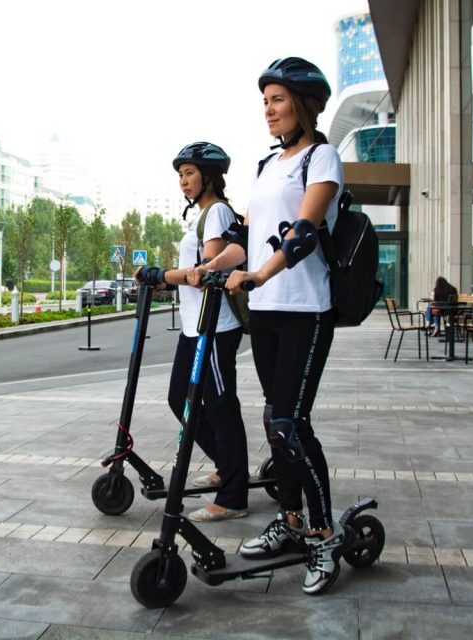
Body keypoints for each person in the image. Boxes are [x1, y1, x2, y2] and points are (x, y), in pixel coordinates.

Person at [194, 57, 345, 595]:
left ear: (304, 105)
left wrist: (259, 274)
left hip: (306, 308)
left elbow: (303, 232)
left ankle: (324, 533)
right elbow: (247, 240)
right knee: (272, 420)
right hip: (267, 311)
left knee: (291, 423)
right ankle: (292, 518)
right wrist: (213, 266)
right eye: (265, 101)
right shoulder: (266, 165)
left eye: (278, 100)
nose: (269, 110)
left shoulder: (322, 158)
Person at [135, 141, 250, 523]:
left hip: (215, 327)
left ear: (209, 176)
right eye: (181, 175)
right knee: (178, 398)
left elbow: (205, 273)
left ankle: (233, 495)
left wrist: (162, 274)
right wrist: (163, 279)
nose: (183, 181)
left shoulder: (216, 213)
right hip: (194, 327)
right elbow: (191, 275)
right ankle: (226, 465)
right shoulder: (202, 216)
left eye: (189, 173)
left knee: (220, 405)